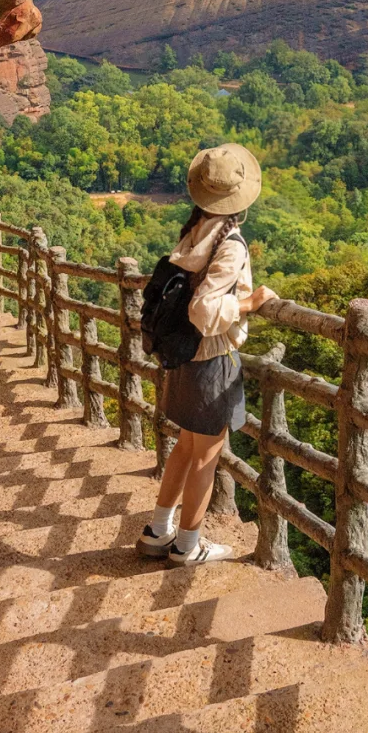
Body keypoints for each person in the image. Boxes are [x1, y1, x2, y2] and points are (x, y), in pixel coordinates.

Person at [137, 143, 278, 566]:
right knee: (206, 456)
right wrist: (251, 304)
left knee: (185, 446)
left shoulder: (196, 230)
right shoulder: (230, 243)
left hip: (182, 357)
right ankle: (187, 545)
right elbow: (204, 310)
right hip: (211, 359)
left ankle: (158, 532)